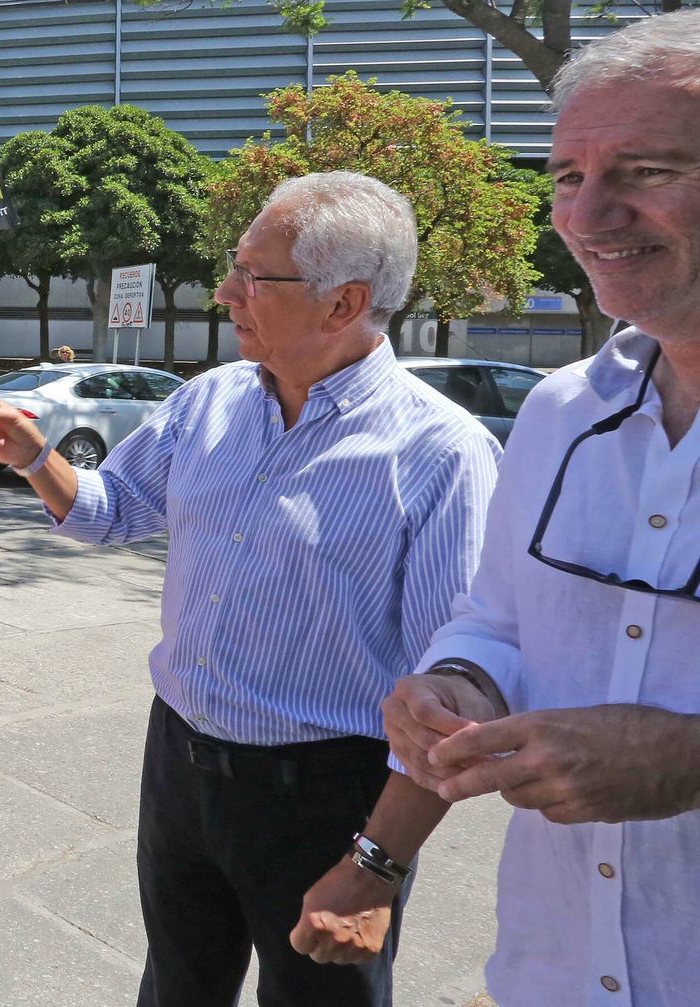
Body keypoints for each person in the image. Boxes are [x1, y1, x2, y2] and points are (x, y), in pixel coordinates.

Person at [0, 172, 501, 1007]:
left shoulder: (441, 453)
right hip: (180, 768)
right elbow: (114, 511)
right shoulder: (209, 402)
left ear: (342, 304)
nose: (223, 292)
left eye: (252, 275)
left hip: (324, 798)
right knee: (176, 990)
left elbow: (450, 702)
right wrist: (30, 455)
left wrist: (377, 864)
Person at [290, 11, 700, 1005]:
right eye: (567, 176)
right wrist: (459, 685)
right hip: (551, 971)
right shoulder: (560, 412)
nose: (588, 213)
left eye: (642, 170)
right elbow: (500, 618)